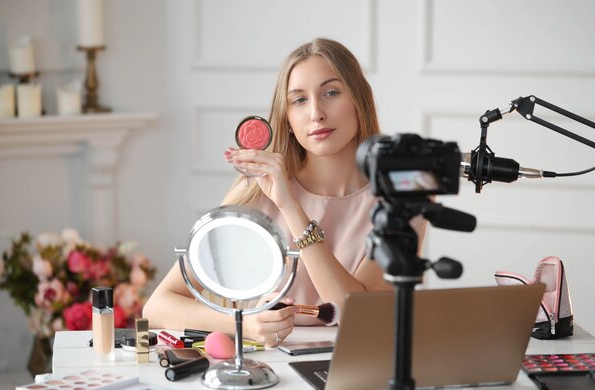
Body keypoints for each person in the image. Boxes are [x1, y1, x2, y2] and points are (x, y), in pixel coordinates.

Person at [142, 37, 427, 347]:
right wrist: (246, 325)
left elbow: (358, 314)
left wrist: (291, 207)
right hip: (268, 368)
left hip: (358, 362)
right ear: (288, 119)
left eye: (331, 92)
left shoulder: (403, 199)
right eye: (299, 100)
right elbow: (158, 306)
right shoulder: (256, 191)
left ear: (359, 100)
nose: (316, 112)